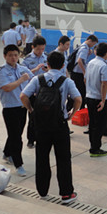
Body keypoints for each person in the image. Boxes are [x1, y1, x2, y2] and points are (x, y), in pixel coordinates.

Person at [21, 51, 82, 204]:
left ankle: (42, 191)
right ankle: (66, 194)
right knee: (63, 159)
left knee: (42, 157)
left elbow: (23, 96)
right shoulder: (67, 81)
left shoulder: (38, 79)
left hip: (41, 125)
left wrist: (31, 110)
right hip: (60, 125)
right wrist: (71, 113)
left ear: (47, 64)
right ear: (62, 66)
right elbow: (78, 99)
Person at [0, 44, 33, 177]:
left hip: (22, 107)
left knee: (16, 133)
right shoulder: (1, 71)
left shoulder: (23, 69)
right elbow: (6, 87)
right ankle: (18, 164)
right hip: (10, 108)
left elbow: (33, 81)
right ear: (5, 56)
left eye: (16, 55)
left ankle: (7, 153)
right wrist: (21, 80)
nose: (13, 58)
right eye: (10, 55)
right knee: (16, 137)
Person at [85, 42, 107, 157]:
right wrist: (103, 100)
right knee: (100, 124)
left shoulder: (90, 62)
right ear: (106, 53)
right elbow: (104, 84)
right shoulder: (104, 66)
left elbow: (85, 79)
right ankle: (95, 148)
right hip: (98, 99)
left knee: (92, 124)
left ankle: (93, 145)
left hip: (89, 96)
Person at [22, 36, 48, 148]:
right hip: (32, 92)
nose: (40, 51)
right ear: (33, 47)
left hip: (44, 92)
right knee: (32, 116)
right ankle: (31, 139)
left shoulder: (46, 57)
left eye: (42, 49)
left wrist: (48, 70)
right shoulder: (27, 59)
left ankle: (42, 138)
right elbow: (23, 75)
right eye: (38, 49)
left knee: (44, 116)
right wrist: (35, 69)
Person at [71, 34, 98, 110]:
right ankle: (80, 108)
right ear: (90, 41)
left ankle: (77, 108)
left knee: (78, 91)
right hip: (78, 74)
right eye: (93, 44)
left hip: (75, 72)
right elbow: (79, 61)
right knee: (82, 92)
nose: (93, 46)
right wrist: (84, 72)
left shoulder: (82, 46)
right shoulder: (84, 49)